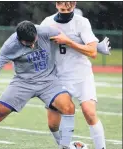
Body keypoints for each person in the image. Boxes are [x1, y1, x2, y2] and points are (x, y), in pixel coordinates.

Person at [0, 20, 77, 149]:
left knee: (68, 107)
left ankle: (64, 147)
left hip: (49, 80)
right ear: (19, 39)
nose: (32, 46)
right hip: (23, 82)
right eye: (27, 43)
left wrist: (68, 39)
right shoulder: (10, 46)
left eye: (34, 41)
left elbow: (69, 39)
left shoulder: (46, 31)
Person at [40, 1, 110, 149]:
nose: (65, 11)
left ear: (74, 4)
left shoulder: (82, 22)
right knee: (52, 124)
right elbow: (38, 44)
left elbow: (92, 52)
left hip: (81, 75)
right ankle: (65, 146)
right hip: (57, 77)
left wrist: (68, 41)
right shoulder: (47, 22)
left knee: (89, 112)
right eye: (62, 8)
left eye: (69, 8)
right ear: (56, 4)